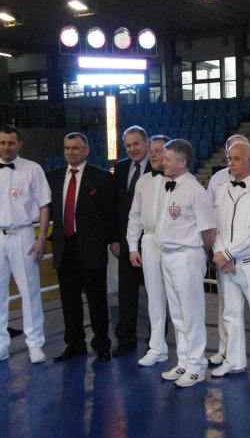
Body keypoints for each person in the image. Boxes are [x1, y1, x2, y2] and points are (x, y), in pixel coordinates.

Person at [0, 125, 50, 365]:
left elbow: (44, 206)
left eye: (11, 142)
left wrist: (41, 237)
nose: (7, 147)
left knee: (30, 291)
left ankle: (35, 344)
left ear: (20, 144)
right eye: (3, 142)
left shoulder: (33, 169)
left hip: (23, 235)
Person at [47, 132, 119, 363]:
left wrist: (114, 239)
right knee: (69, 301)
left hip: (92, 247)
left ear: (86, 150)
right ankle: (74, 345)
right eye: (67, 148)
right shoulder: (53, 177)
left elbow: (110, 213)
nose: (71, 152)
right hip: (64, 248)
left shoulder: (101, 177)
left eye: (75, 148)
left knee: (97, 300)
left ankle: (102, 345)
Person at [206, 134, 250, 366]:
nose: (230, 163)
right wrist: (219, 253)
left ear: (249, 161)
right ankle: (234, 363)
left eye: (235, 159)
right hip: (226, 263)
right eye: (228, 159)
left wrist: (227, 254)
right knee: (230, 315)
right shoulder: (221, 187)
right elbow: (216, 225)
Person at [157, 139, 216, 388]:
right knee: (178, 314)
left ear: (182, 162)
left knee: (191, 314)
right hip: (169, 255)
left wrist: (198, 254)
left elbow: (209, 230)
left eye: (168, 159)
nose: (163, 162)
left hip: (186, 255)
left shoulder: (195, 190)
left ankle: (197, 365)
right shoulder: (168, 186)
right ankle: (184, 360)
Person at [126, 135, 170, 366]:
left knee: (179, 299)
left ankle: (188, 353)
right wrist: (133, 246)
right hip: (149, 240)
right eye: (151, 150)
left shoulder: (182, 180)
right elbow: (134, 215)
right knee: (154, 297)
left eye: (159, 150)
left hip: (174, 244)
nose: (153, 154)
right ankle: (157, 347)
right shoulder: (143, 181)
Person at [113, 125, 151, 357]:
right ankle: (126, 340)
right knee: (126, 294)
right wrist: (115, 239)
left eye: (136, 143)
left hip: (153, 242)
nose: (132, 149)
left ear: (146, 143)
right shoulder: (120, 168)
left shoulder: (159, 167)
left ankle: (155, 341)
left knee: (155, 295)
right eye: (128, 145)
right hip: (127, 243)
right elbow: (116, 207)